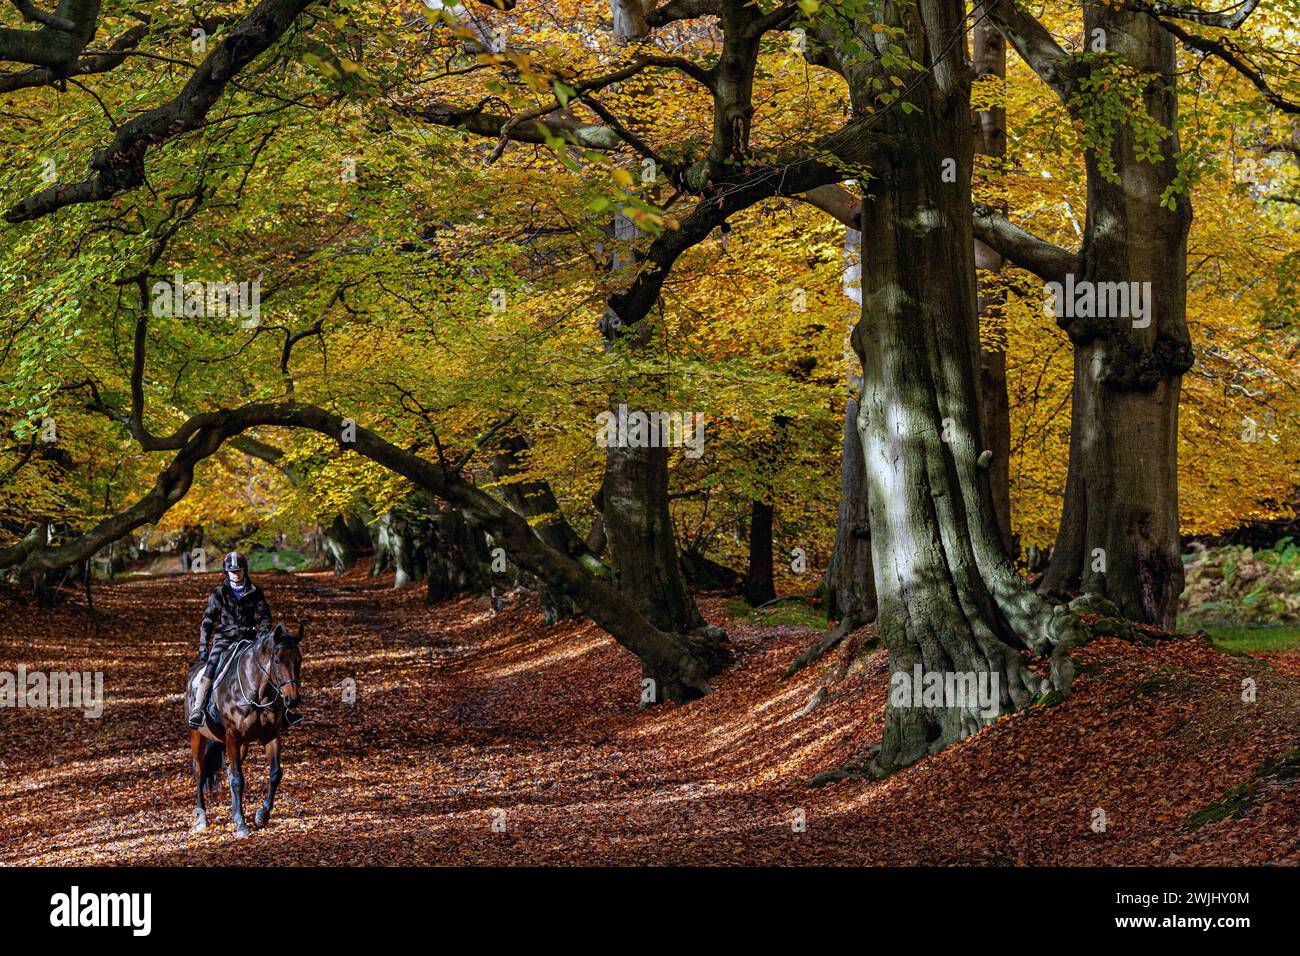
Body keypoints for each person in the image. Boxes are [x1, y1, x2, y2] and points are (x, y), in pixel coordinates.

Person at [188, 551, 283, 727]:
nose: (236, 574)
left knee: (272, 665)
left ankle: (284, 710)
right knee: (211, 666)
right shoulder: (219, 593)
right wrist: (203, 647)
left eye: (239, 571)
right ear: (226, 573)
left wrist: (262, 633)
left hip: (250, 639)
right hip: (224, 640)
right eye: (232, 571)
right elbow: (207, 622)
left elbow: (264, 616)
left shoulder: (255, 591)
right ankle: (198, 709)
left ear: (244, 571)